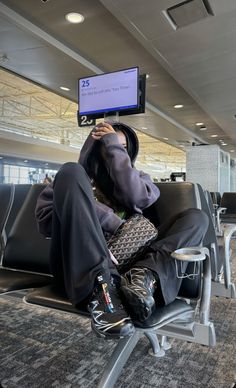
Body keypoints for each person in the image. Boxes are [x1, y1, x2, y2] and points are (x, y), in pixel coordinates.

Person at [35, 121, 208, 339]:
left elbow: (136, 198)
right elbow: (46, 222)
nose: (113, 149)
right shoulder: (74, 181)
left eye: (121, 147)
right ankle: (103, 291)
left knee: (196, 217)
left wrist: (113, 148)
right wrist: (106, 225)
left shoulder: (142, 180)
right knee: (70, 170)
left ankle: (144, 278)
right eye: (107, 144)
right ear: (94, 147)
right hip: (80, 269)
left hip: (130, 266)